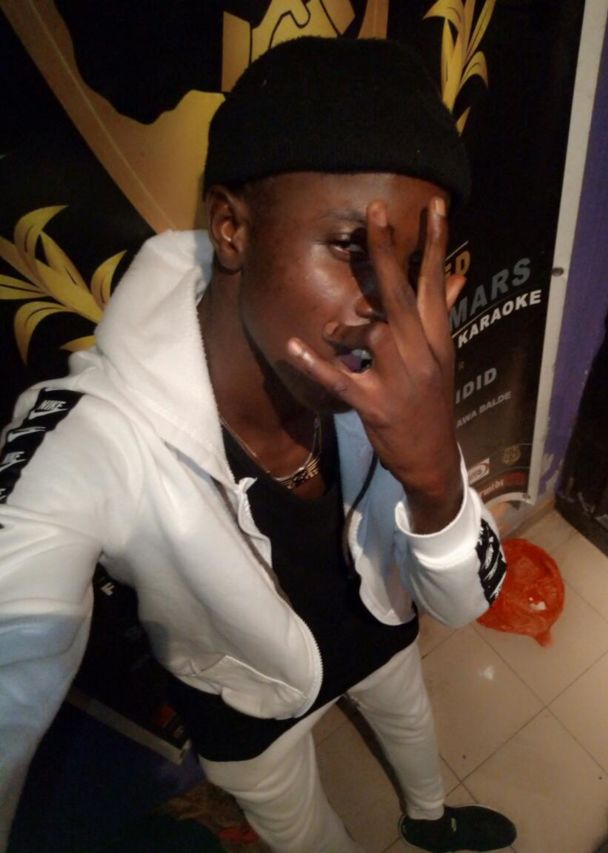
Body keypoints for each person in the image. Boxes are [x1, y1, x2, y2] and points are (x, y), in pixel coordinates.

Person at [0, 36, 516, 853]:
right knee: (306, 835)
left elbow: (463, 602)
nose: (390, 310)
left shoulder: (393, 375)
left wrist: (434, 480)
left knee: (412, 723)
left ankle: (430, 819)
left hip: (380, 624)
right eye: (354, 248)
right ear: (232, 226)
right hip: (249, 708)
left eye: (413, 265)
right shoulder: (94, 436)